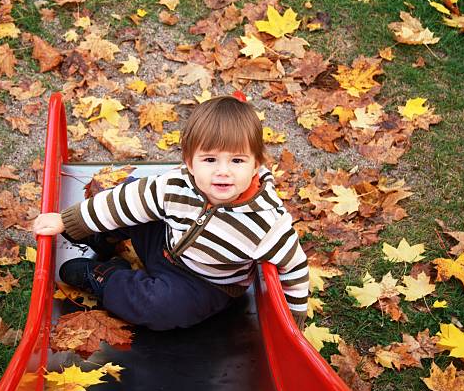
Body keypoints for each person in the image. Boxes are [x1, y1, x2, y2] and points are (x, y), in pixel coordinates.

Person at [33, 95, 309, 331]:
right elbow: (127, 201)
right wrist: (68, 220)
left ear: (256, 164)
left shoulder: (266, 222)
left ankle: (108, 278)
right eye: (210, 160)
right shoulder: (177, 185)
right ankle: (101, 237)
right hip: (165, 242)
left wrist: (292, 325)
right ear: (189, 161)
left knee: (160, 308)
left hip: (203, 284)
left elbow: (294, 268)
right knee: (132, 197)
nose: (223, 171)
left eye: (237, 160)